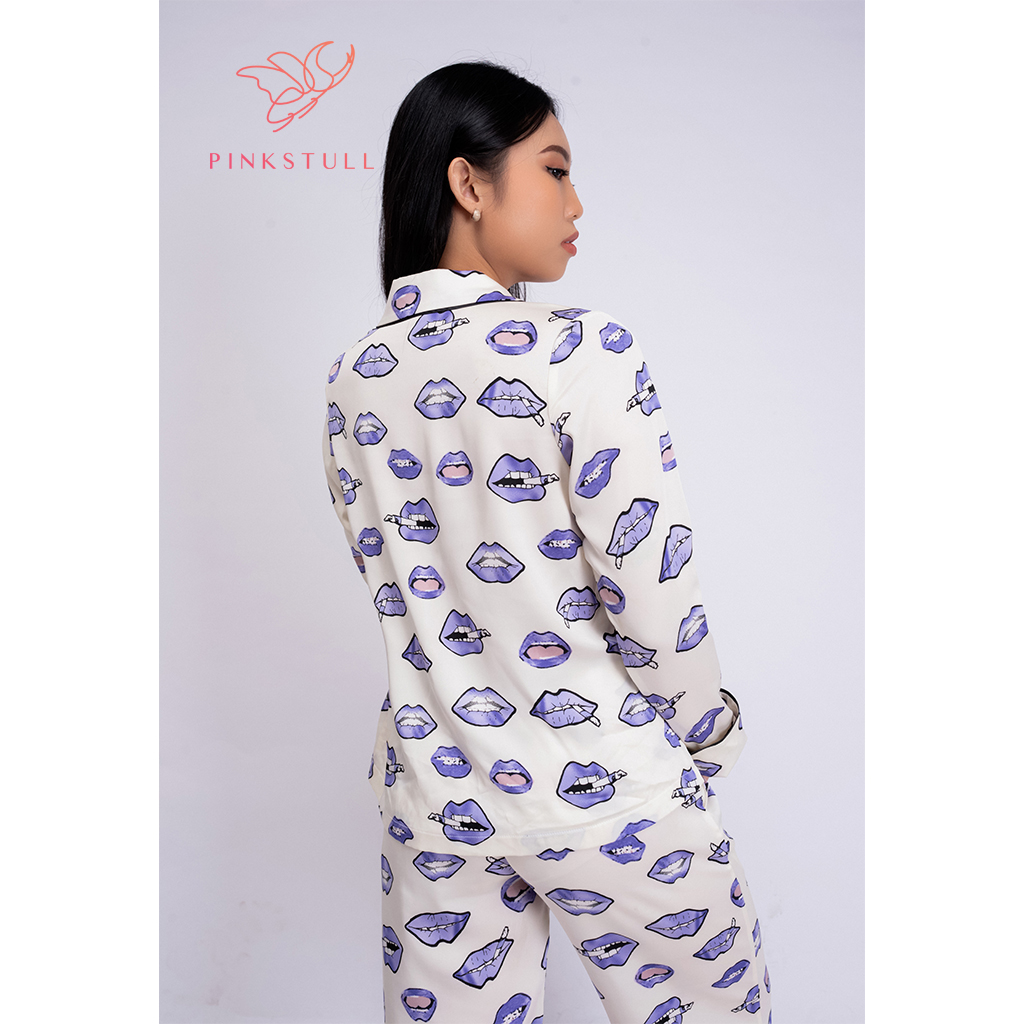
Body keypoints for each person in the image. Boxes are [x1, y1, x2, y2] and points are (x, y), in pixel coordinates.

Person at [322, 61, 770, 1024]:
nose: (577, 202)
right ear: (468, 183)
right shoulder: (583, 350)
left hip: (436, 797)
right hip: (610, 789)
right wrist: (707, 731)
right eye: (556, 170)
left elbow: (396, 580)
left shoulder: (355, 375)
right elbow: (649, 587)